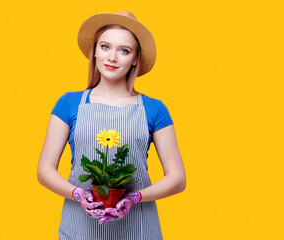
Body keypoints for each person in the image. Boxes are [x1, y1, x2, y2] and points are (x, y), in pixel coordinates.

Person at [37, 10, 186, 240]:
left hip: (138, 229)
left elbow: (177, 178)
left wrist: (134, 198)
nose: (112, 57)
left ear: (135, 58)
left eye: (124, 51)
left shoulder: (154, 109)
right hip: (80, 229)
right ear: (94, 51)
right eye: (105, 47)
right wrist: (77, 194)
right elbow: (45, 170)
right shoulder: (69, 104)